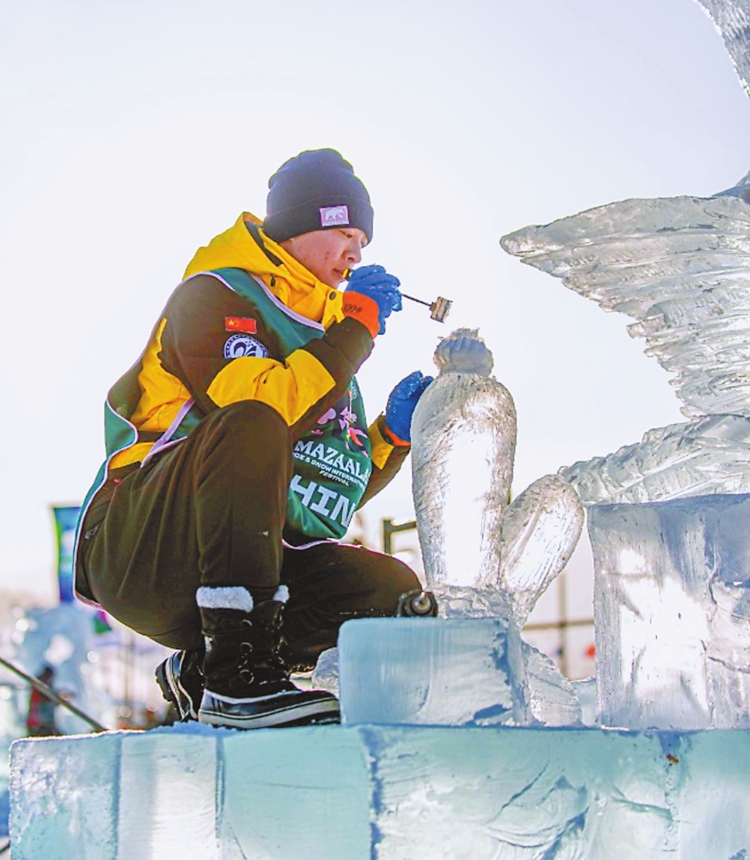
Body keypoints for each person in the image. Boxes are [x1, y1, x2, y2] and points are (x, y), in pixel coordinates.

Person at [73, 148, 433, 730]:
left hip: (238, 563)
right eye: (344, 232)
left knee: (388, 591)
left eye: (363, 241)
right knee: (251, 418)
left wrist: (389, 436)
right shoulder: (215, 296)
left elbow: (305, 491)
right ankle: (240, 679)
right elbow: (251, 417)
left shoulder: (324, 344)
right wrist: (355, 332)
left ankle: (207, 665)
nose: (356, 251)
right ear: (299, 227)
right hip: (143, 550)